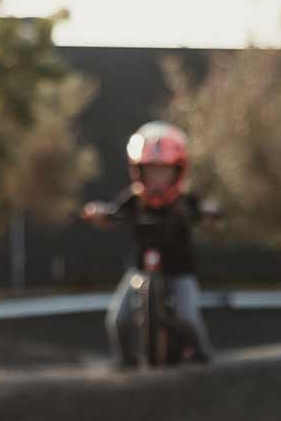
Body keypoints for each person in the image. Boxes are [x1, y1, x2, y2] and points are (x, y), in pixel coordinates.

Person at [81, 121, 219, 366]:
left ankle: (201, 353)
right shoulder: (134, 201)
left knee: (187, 317)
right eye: (151, 171)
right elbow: (114, 213)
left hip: (179, 271)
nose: (157, 178)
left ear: (177, 172)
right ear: (139, 172)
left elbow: (203, 210)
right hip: (140, 271)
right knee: (118, 319)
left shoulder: (184, 202)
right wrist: (100, 214)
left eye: (163, 171)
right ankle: (126, 361)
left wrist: (208, 211)